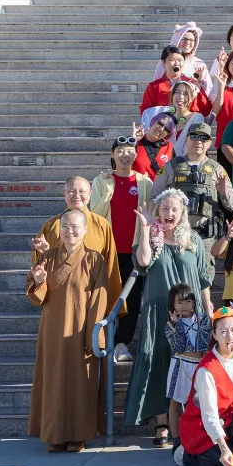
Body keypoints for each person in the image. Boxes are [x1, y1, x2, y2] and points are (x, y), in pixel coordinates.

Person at [126, 189, 213, 449]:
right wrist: (144, 229)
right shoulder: (152, 238)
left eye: (174, 209)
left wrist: (208, 309)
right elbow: (142, 262)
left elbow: (202, 278)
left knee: (190, 363)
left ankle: (189, 420)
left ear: (183, 212)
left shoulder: (194, 241)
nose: (169, 213)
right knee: (158, 362)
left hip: (190, 314)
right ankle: (162, 422)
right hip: (159, 313)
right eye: (164, 209)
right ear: (157, 212)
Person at [26, 209, 110, 452]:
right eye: (65, 227)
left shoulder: (95, 259)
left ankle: (78, 435)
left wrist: (94, 334)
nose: (70, 231)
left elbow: (99, 297)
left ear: (85, 230)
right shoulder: (47, 257)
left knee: (80, 383)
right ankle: (55, 434)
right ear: (59, 230)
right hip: (52, 330)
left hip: (81, 329)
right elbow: (35, 297)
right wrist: (39, 280)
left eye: (75, 227)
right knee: (53, 382)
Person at [90, 138, 153, 362]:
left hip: (134, 250)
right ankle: (100, 340)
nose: (125, 155)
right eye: (120, 151)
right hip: (107, 250)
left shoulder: (145, 183)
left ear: (136, 155)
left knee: (132, 299)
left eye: (129, 151)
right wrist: (109, 188)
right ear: (113, 154)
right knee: (105, 296)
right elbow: (94, 214)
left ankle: (121, 343)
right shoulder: (101, 181)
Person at [153, 123, 233, 284]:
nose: (198, 141)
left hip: (206, 237)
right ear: (186, 139)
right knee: (176, 281)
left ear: (209, 143)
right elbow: (154, 198)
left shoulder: (217, 169)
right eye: (194, 136)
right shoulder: (171, 166)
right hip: (176, 234)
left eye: (204, 138)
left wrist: (223, 191)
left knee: (203, 281)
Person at [174, 305, 233, 466]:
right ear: (214, 335)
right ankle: (185, 454)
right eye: (224, 332)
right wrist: (223, 448)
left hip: (228, 419)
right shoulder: (207, 370)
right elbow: (209, 416)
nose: (230, 336)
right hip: (201, 428)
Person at [31, 176, 122, 311]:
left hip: (92, 294)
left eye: (82, 191)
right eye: (71, 191)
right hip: (60, 298)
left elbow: (111, 264)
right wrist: (43, 252)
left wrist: (112, 302)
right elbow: (39, 267)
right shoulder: (51, 225)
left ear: (90, 194)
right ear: (64, 194)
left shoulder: (102, 224)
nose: (77, 196)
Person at [163, 284, 210, 447]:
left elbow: (203, 343)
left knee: (198, 402)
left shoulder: (203, 320)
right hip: (180, 364)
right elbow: (178, 347)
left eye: (188, 301)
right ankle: (176, 439)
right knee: (175, 403)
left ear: (194, 303)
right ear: (172, 306)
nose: (184, 305)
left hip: (198, 364)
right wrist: (178, 326)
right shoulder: (170, 327)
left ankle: (196, 436)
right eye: (179, 302)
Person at [152, 22, 214, 98]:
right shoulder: (166, 62)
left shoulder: (200, 64)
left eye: (191, 40)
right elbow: (156, 87)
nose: (188, 42)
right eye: (184, 39)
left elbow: (208, 90)